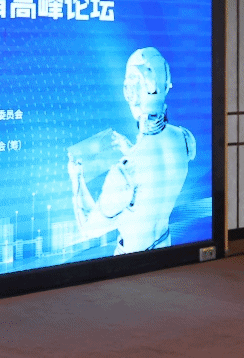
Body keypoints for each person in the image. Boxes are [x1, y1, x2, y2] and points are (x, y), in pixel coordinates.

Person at [67, 47, 193, 255]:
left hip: (131, 262)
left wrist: (76, 178)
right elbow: (153, 173)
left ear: (131, 91)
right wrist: (132, 150)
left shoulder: (125, 173)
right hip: (165, 251)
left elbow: (88, 228)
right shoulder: (185, 139)